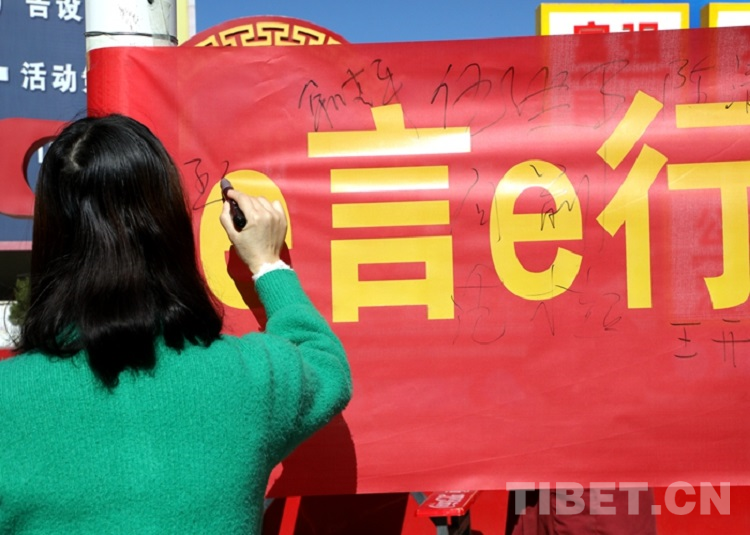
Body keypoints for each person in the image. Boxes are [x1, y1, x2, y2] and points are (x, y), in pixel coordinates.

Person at [0, 114, 352, 534]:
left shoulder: (9, 396)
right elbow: (326, 364)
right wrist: (268, 264)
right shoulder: (247, 377)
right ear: (170, 227)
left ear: (50, 235)